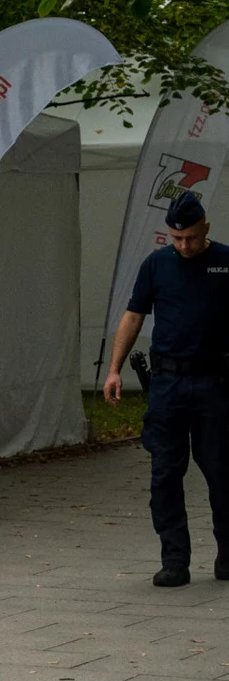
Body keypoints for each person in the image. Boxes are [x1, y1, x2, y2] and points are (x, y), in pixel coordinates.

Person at [105, 190, 229, 586]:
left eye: (191, 237)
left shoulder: (225, 262)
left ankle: (227, 554)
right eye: (176, 238)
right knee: (165, 472)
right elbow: (133, 317)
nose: (184, 245)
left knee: (222, 471)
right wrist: (113, 369)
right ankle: (175, 559)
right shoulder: (156, 265)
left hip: (215, 382)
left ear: (205, 227)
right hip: (168, 383)